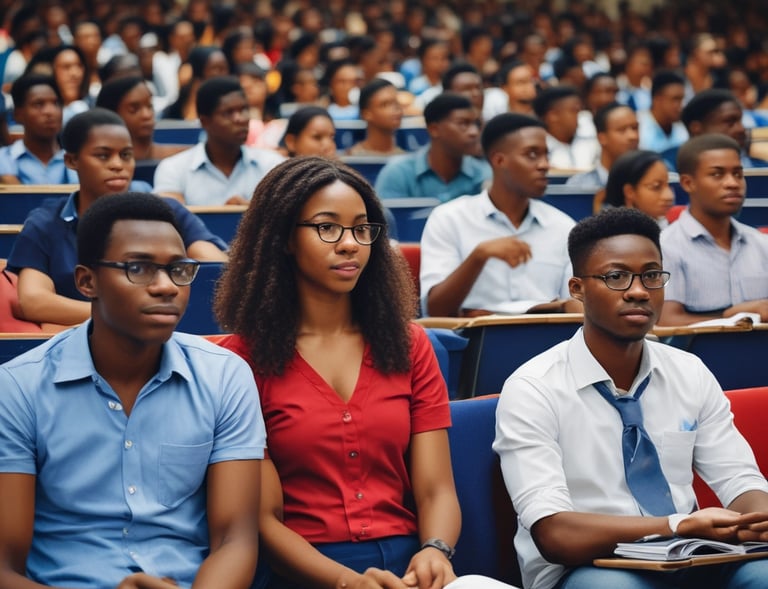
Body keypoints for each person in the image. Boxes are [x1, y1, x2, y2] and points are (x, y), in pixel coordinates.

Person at [213, 156, 514, 589]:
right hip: (303, 572)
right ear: (282, 239)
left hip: (409, 566)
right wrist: (346, 581)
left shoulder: (409, 344)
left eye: (361, 228)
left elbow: (436, 490)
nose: (350, 243)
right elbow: (261, 520)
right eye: (327, 227)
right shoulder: (241, 359)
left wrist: (434, 550)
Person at [0, 191, 265, 588]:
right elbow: (5, 566)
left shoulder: (225, 377)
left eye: (179, 270)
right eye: (138, 268)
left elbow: (235, 540)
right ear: (87, 281)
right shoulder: (19, 387)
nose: (165, 287)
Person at [494, 206, 768, 589]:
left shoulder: (689, 371)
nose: (639, 291)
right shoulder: (533, 387)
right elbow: (555, 533)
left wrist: (757, 518)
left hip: (687, 558)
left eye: (651, 275)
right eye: (616, 276)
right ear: (577, 290)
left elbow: (739, 480)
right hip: (587, 566)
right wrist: (677, 524)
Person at [6, 108, 228, 327]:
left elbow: (216, 270)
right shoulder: (44, 224)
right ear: (72, 161)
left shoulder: (167, 212)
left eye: (126, 155)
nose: (117, 165)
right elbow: (33, 301)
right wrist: (130, 314)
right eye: (103, 155)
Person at [420, 113, 581, 317]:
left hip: (549, 342)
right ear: (499, 160)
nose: (544, 165)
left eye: (546, 155)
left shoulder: (563, 227)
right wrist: (479, 256)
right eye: (532, 154)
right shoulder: (449, 218)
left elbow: (575, 309)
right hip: (472, 345)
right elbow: (436, 311)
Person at [659, 134, 768, 326]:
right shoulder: (667, 246)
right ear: (688, 183)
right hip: (697, 355)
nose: (732, 183)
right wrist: (731, 317)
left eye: (738, 174)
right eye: (717, 174)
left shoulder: (760, 243)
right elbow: (667, 321)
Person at [154, 76, 285, 205]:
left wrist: (251, 213)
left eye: (244, 109)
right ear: (205, 121)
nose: (240, 119)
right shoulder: (174, 169)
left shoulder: (272, 165)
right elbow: (173, 219)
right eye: (228, 113)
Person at [374, 93, 489, 202]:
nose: (474, 132)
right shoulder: (397, 173)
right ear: (434, 129)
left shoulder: (485, 175)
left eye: (476, 124)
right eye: (463, 123)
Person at [661, 89, 768, 172]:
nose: (741, 129)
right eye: (730, 122)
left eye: (740, 121)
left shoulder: (761, 168)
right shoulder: (668, 166)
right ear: (697, 129)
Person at [0, 74, 78, 184]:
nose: (50, 112)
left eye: (56, 103)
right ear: (17, 115)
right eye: (38, 104)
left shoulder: (77, 161)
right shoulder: (4, 159)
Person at [96, 76, 187, 162]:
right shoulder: (98, 164)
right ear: (111, 115)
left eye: (150, 106)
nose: (146, 115)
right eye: (134, 109)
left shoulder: (181, 157)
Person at [566, 102, 639, 190]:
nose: (633, 136)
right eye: (622, 130)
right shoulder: (579, 185)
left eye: (635, 128)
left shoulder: (649, 182)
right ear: (601, 138)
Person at [533, 85, 599, 171]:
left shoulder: (592, 140)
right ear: (553, 115)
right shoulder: (536, 147)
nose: (579, 116)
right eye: (574, 111)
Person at [603, 150, 676, 226]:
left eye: (668, 184)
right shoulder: (617, 234)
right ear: (629, 192)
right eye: (656, 187)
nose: (669, 196)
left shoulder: (669, 227)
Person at [346, 78, 405, 156]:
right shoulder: (352, 158)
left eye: (396, 102)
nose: (396, 109)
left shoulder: (405, 158)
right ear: (366, 114)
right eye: (385, 104)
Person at [637, 70, 688, 153]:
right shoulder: (638, 126)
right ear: (657, 99)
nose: (681, 105)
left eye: (682, 99)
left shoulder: (682, 130)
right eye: (675, 99)